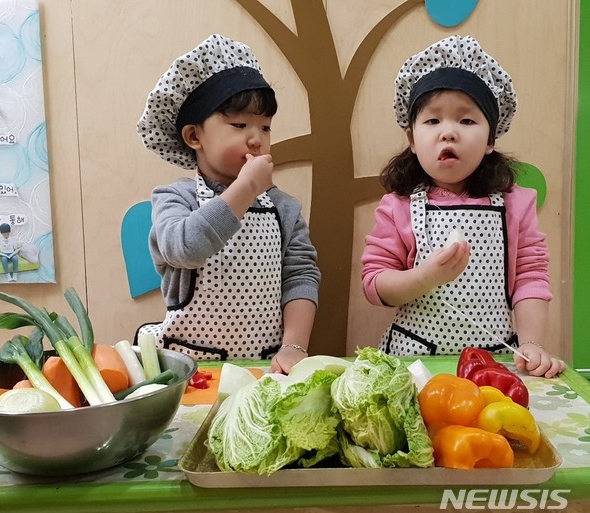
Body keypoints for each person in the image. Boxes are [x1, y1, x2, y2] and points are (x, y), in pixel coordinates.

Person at [361, 35, 565, 378]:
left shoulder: (516, 204)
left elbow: (530, 277)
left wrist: (533, 343)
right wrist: (424, 277)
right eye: (432, 121)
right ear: (412, 139)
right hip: (415, 363)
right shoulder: (397, 206)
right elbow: (375, 285)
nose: (449, 133)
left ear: (490, 141)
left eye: (467, 121)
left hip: (493, 365)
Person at [136, 34, 320, 373]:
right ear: (194, 137)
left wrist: (294, 346)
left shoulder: (285, 208)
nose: (256, 138)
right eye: (239, 125)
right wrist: (245, 188)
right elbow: (185, 248)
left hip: (264, 368)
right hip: (192, 371)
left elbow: (301, 276)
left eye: (265, 127)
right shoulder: (175, 198)